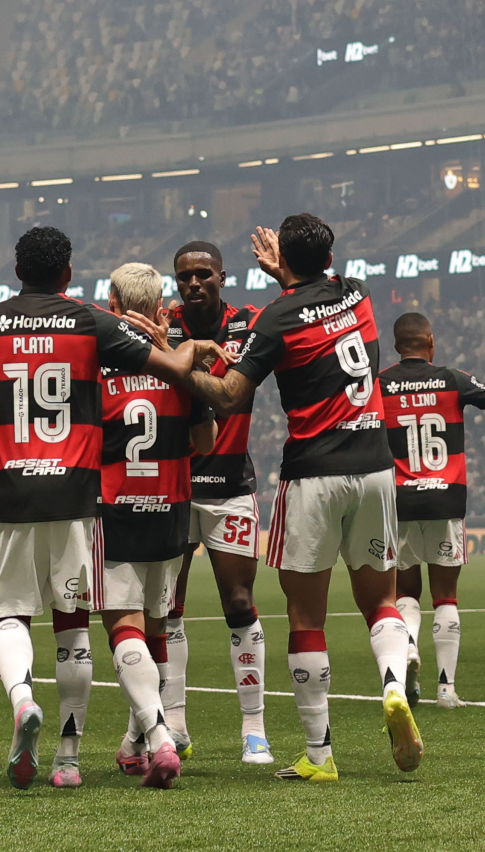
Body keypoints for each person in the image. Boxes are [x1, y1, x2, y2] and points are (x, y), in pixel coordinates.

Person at [0, 227, 227, 790]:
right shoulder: (88, 322)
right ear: (66, 273)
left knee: (9, 614)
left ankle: (22, 700)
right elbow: (176, 374)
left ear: (16, 271)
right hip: (81, 497)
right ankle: (76, 757)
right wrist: (189, 347)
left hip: (9, 492)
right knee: (73, 627)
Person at [130, 214, 422, 782]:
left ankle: (319, 755)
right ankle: (392, 680)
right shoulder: (356, 294)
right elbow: (320, 296)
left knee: (305, 615)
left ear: (279, 259)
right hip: (377, 466)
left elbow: (232, 394)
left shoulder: (274, 319)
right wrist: (287, 276)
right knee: (381, 600)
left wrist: (177, 361)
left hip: (313, 470)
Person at [78, 262, 218, 790]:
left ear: (114, 305)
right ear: (161, 309)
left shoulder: (94, 362)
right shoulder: (180, 366)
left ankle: (158, 737)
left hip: (115, 508)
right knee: (158, 626)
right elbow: (205, 444)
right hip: (172, 509)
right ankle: (136, 741)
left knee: (124, 627)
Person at [377, 312, 485, 710]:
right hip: (446, 496)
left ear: (395, 346)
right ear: (430, 340)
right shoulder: (450, 379)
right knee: (445, 595)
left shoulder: (380, 385)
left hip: (399, 501)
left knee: (405, 592)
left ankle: (408, 647)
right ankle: (446, 690)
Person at [162, 240, 273, 765]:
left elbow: (241, 388)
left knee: (239, 605)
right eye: (185, 277)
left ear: (222, 277)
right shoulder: (163, 326)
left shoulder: (248, 323)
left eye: (204, 275)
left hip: (230, 486)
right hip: (172, 488)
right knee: (167, 608)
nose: (194, 284)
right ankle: (175, 723)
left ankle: (254, 728)